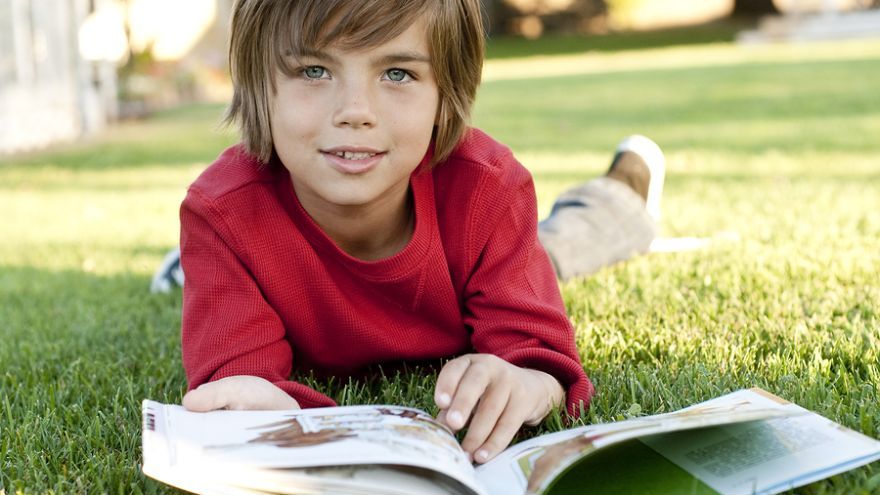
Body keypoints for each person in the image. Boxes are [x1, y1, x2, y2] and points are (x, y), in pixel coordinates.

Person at [157, 0, 665, 465]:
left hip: (476, 267)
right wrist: (268, 405)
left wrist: (526, 380)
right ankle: (186, 267)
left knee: (561, 246)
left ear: (446, 96)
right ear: (256, 88)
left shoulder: (488, 189)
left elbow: (542, 364)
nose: (356, 111)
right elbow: (239, 383)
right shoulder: (222, 216)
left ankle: (621, 187)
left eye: (397, 73)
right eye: (314, 70)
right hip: (248, 238)